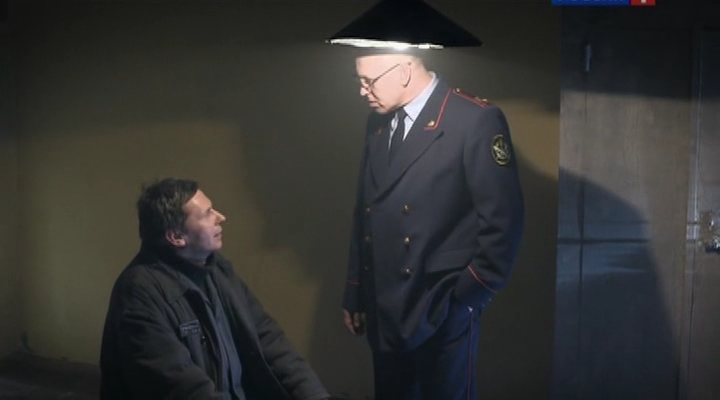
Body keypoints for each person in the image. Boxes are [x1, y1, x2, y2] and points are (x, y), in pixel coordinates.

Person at [341, 50, 525, 400]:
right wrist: (356, 288)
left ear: (405, 71)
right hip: (384, 301)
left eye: (369, 81)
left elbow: (504, 221)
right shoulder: (377, 123)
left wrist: (466, 297)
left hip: (439, 300)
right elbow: (366, 211)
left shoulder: (474, 119)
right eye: (359, 81)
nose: (363, 91)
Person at [100, 178, 331, 400]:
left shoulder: (216, 269)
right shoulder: (138, 293)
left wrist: (314, 394)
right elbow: (180, 386)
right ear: (176, 237)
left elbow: (267, 337)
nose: (220, 217)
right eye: (207, 214)